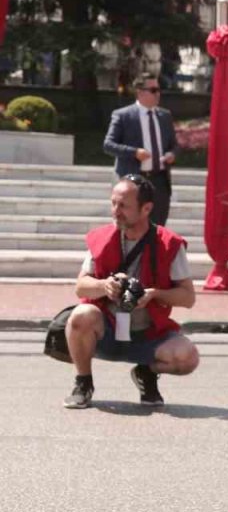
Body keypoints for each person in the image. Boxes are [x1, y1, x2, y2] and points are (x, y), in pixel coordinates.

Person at [62, 176, 200, 409]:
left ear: (146, 208)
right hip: (106, 331)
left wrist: (154, 294)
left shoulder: (169, 244)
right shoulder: (101, 238)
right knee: (81, 314)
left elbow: (188, 297)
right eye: (113, 203)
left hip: (148, 334)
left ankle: (145, 371)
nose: (116, 211)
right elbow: (80, 287)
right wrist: (104, 285)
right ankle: (83, 383)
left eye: (123, 205)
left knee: (188, 359)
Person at [103, 76, 177, 227]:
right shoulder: (123, 115)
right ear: (140, 92)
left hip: (159, 181)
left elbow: (174, 145)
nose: (158, 94)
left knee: (158, 228)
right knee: (129, 227)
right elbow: (108, 144)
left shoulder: (165, 116)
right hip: (133, 181)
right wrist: (135, 152)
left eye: (159, 90)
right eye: (153, 90)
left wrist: (172, 154)